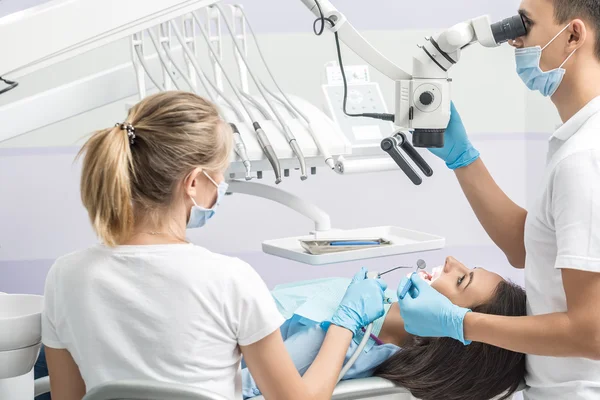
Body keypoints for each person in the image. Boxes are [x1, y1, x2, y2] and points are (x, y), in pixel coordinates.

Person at [40, 91, 388, 400]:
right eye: (220, 176)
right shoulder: (229, 280)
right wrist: (346, 322)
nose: (222, 187)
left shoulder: (66, 276)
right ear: (193, 182)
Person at [395, 1, 600, 399]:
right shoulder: (577, 144)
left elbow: (591, 333)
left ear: (573, 35)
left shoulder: (584, 158)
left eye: (525, 25)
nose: (514, 40)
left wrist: (459, 323)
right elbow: (531, 248)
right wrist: (463, 159)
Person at [242, 256, 526, 400]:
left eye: (461, 280)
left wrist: (346, 322)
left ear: (445, 330)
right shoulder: (377, 302)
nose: (452, 261)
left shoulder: (345, 342)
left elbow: (239, 388)